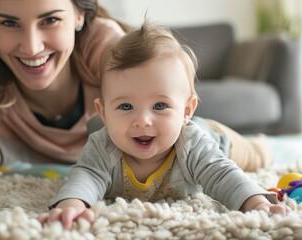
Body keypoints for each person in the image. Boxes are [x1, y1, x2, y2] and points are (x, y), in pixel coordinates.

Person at [0, 0, 269, 179]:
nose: (31, 47)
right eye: (9, 23)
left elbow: (163, 100)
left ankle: (259, 147)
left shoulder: (104, 47)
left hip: (180, 139)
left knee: (211, 148)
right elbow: (27, 147)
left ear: (78, 16)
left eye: (50, 20)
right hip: (95, 161)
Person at [38, 19, 289, 229]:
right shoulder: (102, 147)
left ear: (186, 110)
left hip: (216, 138)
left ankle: (260, 143)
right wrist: (71, 205)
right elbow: (86, 177)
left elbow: (222, 174)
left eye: (159, 106)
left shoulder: (193, 144)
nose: (142, 121)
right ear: (103, 113)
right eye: (126, 107)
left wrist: (256, 203)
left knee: (255, 156)